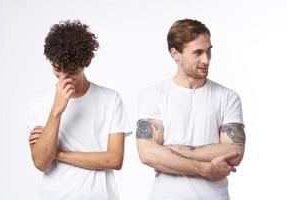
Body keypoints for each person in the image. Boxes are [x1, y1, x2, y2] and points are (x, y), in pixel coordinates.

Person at [136, 18, 246, 200]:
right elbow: (147, 153)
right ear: (175, 53)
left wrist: (171, 151)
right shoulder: (154, 95)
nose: (206, 59)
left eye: (209, 51)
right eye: (198, 53)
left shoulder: (228, 97)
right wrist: (205, 169)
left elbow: (234, 152)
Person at [25, 20, 131, 200]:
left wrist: (57, 154)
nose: (64, 78)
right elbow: (41, 162)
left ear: (87, 61)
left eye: (72, 71)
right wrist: (56, 110)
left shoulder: (110, 99)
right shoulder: (38, 102)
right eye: (58, 69)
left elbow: (114, 160)